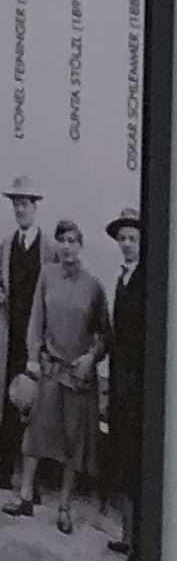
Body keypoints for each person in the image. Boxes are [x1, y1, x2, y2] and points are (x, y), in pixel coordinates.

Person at [2, 217, 112, 535]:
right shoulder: (47, 275)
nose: (67, 247)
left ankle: (64, 508)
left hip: (77, 378)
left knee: (71, 444)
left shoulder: (93, 286)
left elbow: (105, 334)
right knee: (34, 435)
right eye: (62, 240)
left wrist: (90, 358)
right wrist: (33, 358)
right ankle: (25, 497)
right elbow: (36, 320)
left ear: (81, 246)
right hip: (49, 370)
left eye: (72, 241)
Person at [103, 208, 144, 561]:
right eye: (122, 239)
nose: (127, 244)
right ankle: (128, 538)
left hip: (138, 387)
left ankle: (139, 548)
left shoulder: (145, 280)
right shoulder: (123, 278)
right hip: (120, 383)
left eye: (132, 238)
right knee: (123, 461)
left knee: (135, 465)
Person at [0, 173, 44, 491]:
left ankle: (33, 484)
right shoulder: (6, 246)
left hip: (38, 341)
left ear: (35, 206)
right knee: (9, 403)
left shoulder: (49, 248)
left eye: (25, 203)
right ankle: (4, 473)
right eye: (16, 204)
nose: (20, 209)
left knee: (36, 409)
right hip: (12, 338)